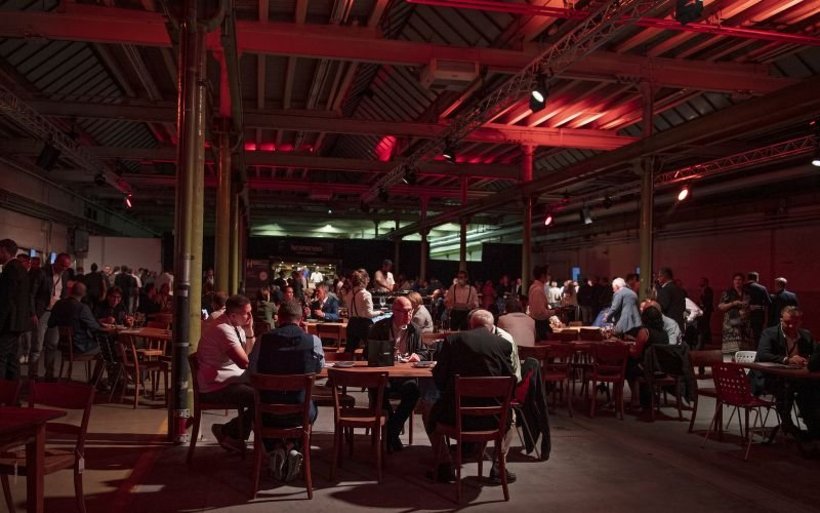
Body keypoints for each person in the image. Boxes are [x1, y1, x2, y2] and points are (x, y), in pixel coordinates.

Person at [425, 310, 516, 484]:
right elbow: (510, 381)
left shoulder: (453, 341)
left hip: (455, 418)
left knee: (428, 407)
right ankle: (499, 467)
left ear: (470, 325)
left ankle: (444, 464)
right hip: (493, 420)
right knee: (511, 415)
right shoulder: (503, 344)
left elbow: (439, 378)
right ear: (491, 327)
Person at [248, 300, 324, 481]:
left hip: (268, 411)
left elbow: (252, 370)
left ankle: (276, 448)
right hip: (300, 411)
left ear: (279, 318)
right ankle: (292, 446)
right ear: (301, 318)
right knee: (313, 408)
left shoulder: (262, 340)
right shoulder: (313, 341)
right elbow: (319, 368)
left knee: (254, 412)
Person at [368, 296, 431, 451]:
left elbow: (424, 352)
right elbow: (367, 353)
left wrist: (418, 356)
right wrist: (382, 354)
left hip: (404, 376)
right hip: (383, 375)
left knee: (413, 392)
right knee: (378, 391)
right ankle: (393, 435)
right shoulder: (379, 327)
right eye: (404, 312)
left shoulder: (414, 329)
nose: (408, 315)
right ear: (394, 312)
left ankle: (390, 433)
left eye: (410, 311)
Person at [753, 306, 820, 449]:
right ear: (781, 320)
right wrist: (787, 360)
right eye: (787, 322)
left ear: (800, 322)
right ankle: (788, 424)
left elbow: (816, 355)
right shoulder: (769, 333)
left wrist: (807, 361)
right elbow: (763, 354)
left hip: (797, 378)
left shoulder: (806, 335)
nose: (791, 326)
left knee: (810, 390)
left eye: (795, 323)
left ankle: (812, 430)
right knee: (787, 390)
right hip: (770, 378)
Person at [198, 295, 256, 453]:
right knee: (259, 397)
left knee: (265, 393)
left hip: (229, 379)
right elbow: (245, 362)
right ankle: (229, 433)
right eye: (247, 313)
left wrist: (249, 331)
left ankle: (232, 434)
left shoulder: (236, 326)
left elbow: (248, 355)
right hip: (215, 387)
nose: (250, 316)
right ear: (233, 315)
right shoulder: (223, 329)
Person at [30, 252, 72, 381]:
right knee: (37, 346)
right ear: (56, 262)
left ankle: (49, 375)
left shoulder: (65, 275)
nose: (65, 269)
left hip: (55, 314)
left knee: (52, 344)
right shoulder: (42, 272)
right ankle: (33, 376)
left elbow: (64, 294)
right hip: (42, 312)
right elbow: (32, 294)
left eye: (67, 267)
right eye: (63, 266)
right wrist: (33, 313)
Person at [627, 305, 670, 410]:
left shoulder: (645, 332)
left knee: (628, 367)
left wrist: (628, 347)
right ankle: (648, 397)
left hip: (647, 368)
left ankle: (635, 399)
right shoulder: (665, 334)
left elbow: (635, 353)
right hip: (662, 368)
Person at [0, 239, 32, 379]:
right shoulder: (19, 267)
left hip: (9, 322)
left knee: (1, 356)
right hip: (17, 322)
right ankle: (13, 389)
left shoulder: (11, 268)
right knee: (12, 358)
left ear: (3, 250)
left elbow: (7, 299)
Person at [48, 282, 103, 360]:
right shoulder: (82, 308)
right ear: (84, 294)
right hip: (80, 347)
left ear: (71, 290)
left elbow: (50, 323)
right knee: (105, 347)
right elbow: (95, 327)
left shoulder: (58, 304)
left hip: (62, 346)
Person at [344, 269, 380, 353]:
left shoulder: (349, 293)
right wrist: (380, 312)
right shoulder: (366, 294)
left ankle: (346, 361)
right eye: (368, 280)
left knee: (349, 350)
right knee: (370, 349)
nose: (368, 282)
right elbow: (369, 314)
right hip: (364, 325)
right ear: (364, 280)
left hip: (352, 323)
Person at [718, 272, 751, 354]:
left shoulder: (747, 293)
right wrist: (733, 303)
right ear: (733, 281)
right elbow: (721, 306)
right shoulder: (728, 293)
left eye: (740, 280)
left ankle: (741, 361)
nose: (737, 281)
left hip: (744, 324)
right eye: (736, 279)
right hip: (730, 324)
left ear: (743, 281)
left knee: (743, 349)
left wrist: (747, 308)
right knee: (730, 349)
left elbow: (750, 306)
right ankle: (729, 361)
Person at [745, 271, 771, 345]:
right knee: (757, 334)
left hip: (743, 313)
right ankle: (757, 349)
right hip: (758, 314)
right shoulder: (762, 288)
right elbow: (768, 302)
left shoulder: (743, 287)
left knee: (743, 333)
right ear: (756, 278)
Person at [528, 265, 552, 341]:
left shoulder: (535, 287)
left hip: (539, 323)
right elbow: (540, 313)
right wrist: (555, 311)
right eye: (548, 274)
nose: (549, 276)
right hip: (540, 325)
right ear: (542, 276)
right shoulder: (538, 289)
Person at [698, 277, 714, 347]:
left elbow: (708, 300)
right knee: (705, 324)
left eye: (702, 281)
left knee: (705, 324)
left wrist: (705, 308)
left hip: (706, 310)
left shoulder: (708, 290)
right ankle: (707, 339)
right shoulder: (703, 289)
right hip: (704, 309)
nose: (700, 282)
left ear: (705, 282)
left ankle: (707, 339)